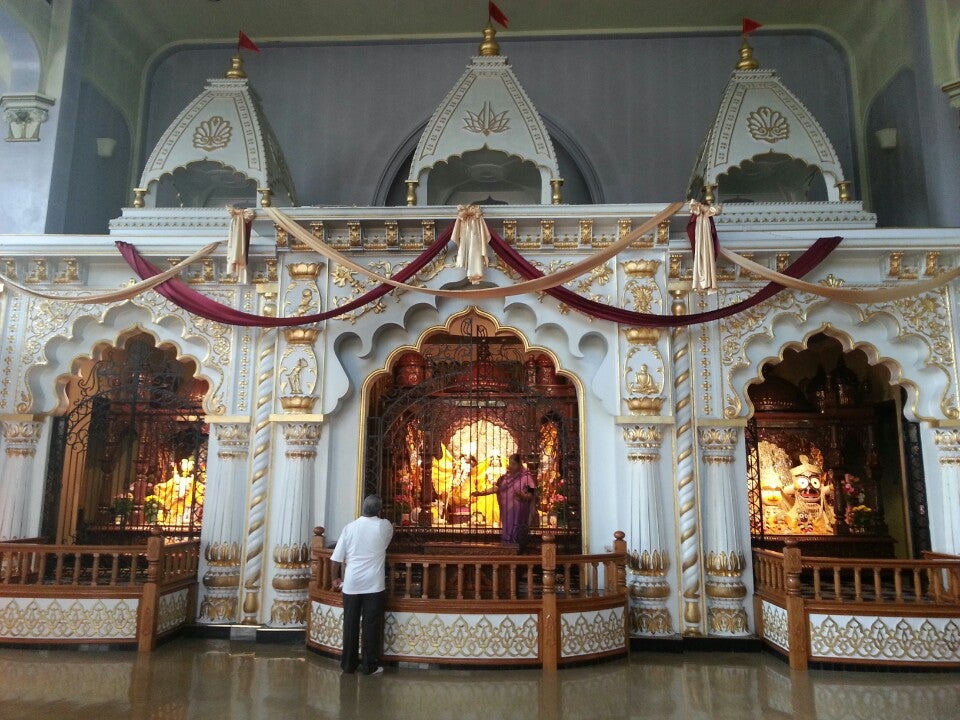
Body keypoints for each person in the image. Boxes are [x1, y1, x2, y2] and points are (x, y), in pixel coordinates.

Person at [330, 495, 394, 675]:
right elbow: (388, 538)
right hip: (374, 584)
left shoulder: (349, 528)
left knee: (350, 624)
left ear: (362, 508)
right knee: (371, 626)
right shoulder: (384, 526)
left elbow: (335, 558)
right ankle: (369, 666)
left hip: (351, 584)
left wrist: (334, 579)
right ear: (379, 510)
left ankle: (348, 665)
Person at [471, 453, 536, 543]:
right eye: (510, 463)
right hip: (508, 511)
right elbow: (495, 488)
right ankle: (507, 545)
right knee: (508, 528)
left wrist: (523, 496)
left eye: (514, 464)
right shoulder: (504, 478)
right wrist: (481, 493)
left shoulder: (527, 477)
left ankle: (518, 547)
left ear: (519, 464)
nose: (511, 466)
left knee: (518, 531)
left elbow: (531, 495)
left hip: (520, 511)